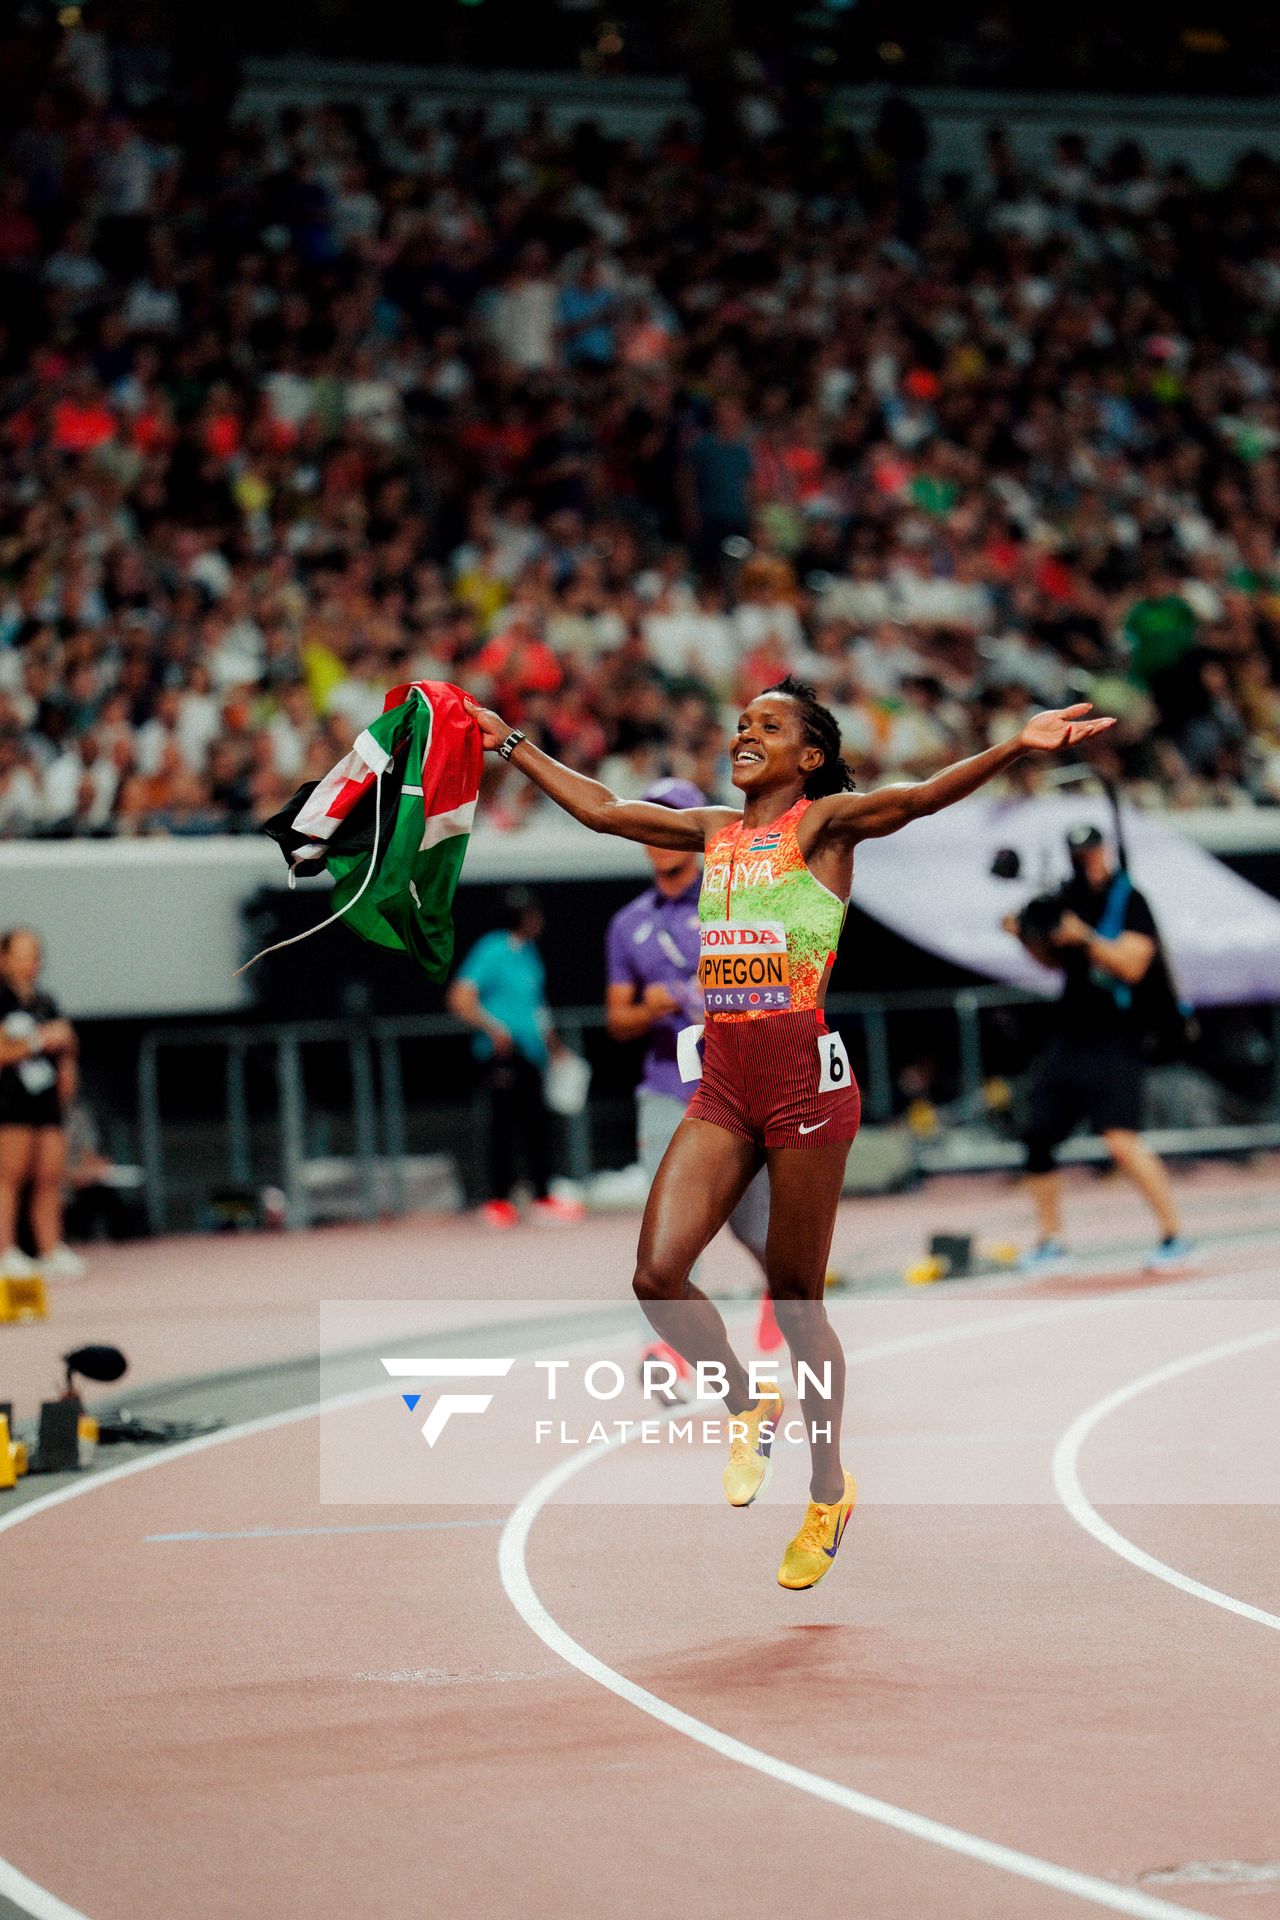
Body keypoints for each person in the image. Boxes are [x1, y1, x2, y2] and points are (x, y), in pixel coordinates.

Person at [464, 678, 1113, 1589]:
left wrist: (1016, 744)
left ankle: (826, 1490)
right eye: (741, 723)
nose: (745, 732)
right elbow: (607, 811)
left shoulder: (826, 825)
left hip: (806, 1086)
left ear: (808, 756)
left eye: (769, 725)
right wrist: (509, 743)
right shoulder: (710, 835)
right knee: (656, 1274)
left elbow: (920, 798)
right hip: (725, 1082)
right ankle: (745, 1400)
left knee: (799, 1298)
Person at [604, 777, 777, 1351]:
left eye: (672, 818)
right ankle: (671, 1342)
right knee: (672, 1226)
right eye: (650, 820)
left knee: (755, 1225)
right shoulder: (628, 923)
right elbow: (616, 1020)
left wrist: (728, 987)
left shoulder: (733, 900)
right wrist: (648, 1008)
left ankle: (784, 1290)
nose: (660, 833)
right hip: (665, 1090)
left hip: (735, 1088)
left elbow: (775, 990)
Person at [1003, 823, 1193, 1273]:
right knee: (1038, 1135)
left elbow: (1133, 964)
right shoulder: (1067, 897)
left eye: (1090, 851)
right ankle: (1051, 1241)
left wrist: (1083, 936)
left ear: (1103, 850)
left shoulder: (1129, 900)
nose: (1084, 859)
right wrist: (1025, 935)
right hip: (1071, 1031)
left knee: (1120, 1139)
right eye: (1077, 852)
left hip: (1118, 1033)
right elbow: (1052, 961)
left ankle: (1175, 1234)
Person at [446, 888, 584, 1228]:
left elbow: (535, 1007)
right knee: (502, 1126)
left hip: (531, 1054)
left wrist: (555, 1046)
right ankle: (498, 1201)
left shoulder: (528, 953)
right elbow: (460, 997)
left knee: (537, 1125)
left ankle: (541, 1196)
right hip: (502, 1054)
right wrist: (493, 1028)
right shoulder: (493, 948)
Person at [0, 927, 85, 1278]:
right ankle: (6, 1251)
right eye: (21, 955)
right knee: (10, 1177)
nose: (29, 963)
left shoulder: (44, 1001)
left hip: (46, 1100)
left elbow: (66, 1042)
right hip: (10, 1100)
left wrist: (67, 1059)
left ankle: (50, 1248)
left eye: (34, 955)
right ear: (4, 958)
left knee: (49, 1177)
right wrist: (39, 1041)